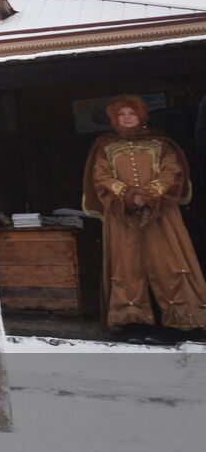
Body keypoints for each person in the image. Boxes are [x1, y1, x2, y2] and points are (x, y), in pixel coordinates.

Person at [83, 94, 206, 342]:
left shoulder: (161, 144)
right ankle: (134, 324)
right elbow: (101, 177)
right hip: (122, 217)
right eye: (121, 115)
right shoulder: (105, 147)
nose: (127, 118)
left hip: (160, 215)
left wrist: (149, 195)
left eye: (132, 113)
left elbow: (173, 171)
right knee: (128, 266)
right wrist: (128, 197)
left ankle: (177, 322)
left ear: (141, 115)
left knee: (168, 263)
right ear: (114, 119)